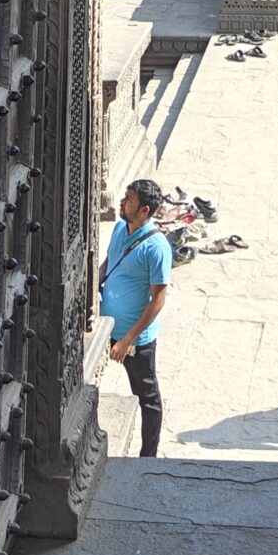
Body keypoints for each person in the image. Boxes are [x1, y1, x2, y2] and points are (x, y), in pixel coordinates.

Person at [100, 178, 174, 458]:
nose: (122, 202)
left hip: (135, 338)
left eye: (129, 200)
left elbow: (158, 300)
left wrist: (128, 339)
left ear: (144, 210)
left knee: (147, 396)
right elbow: (110, 260)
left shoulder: (157, 248)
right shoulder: (120, 227)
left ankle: (149, 456)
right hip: (109, 327)